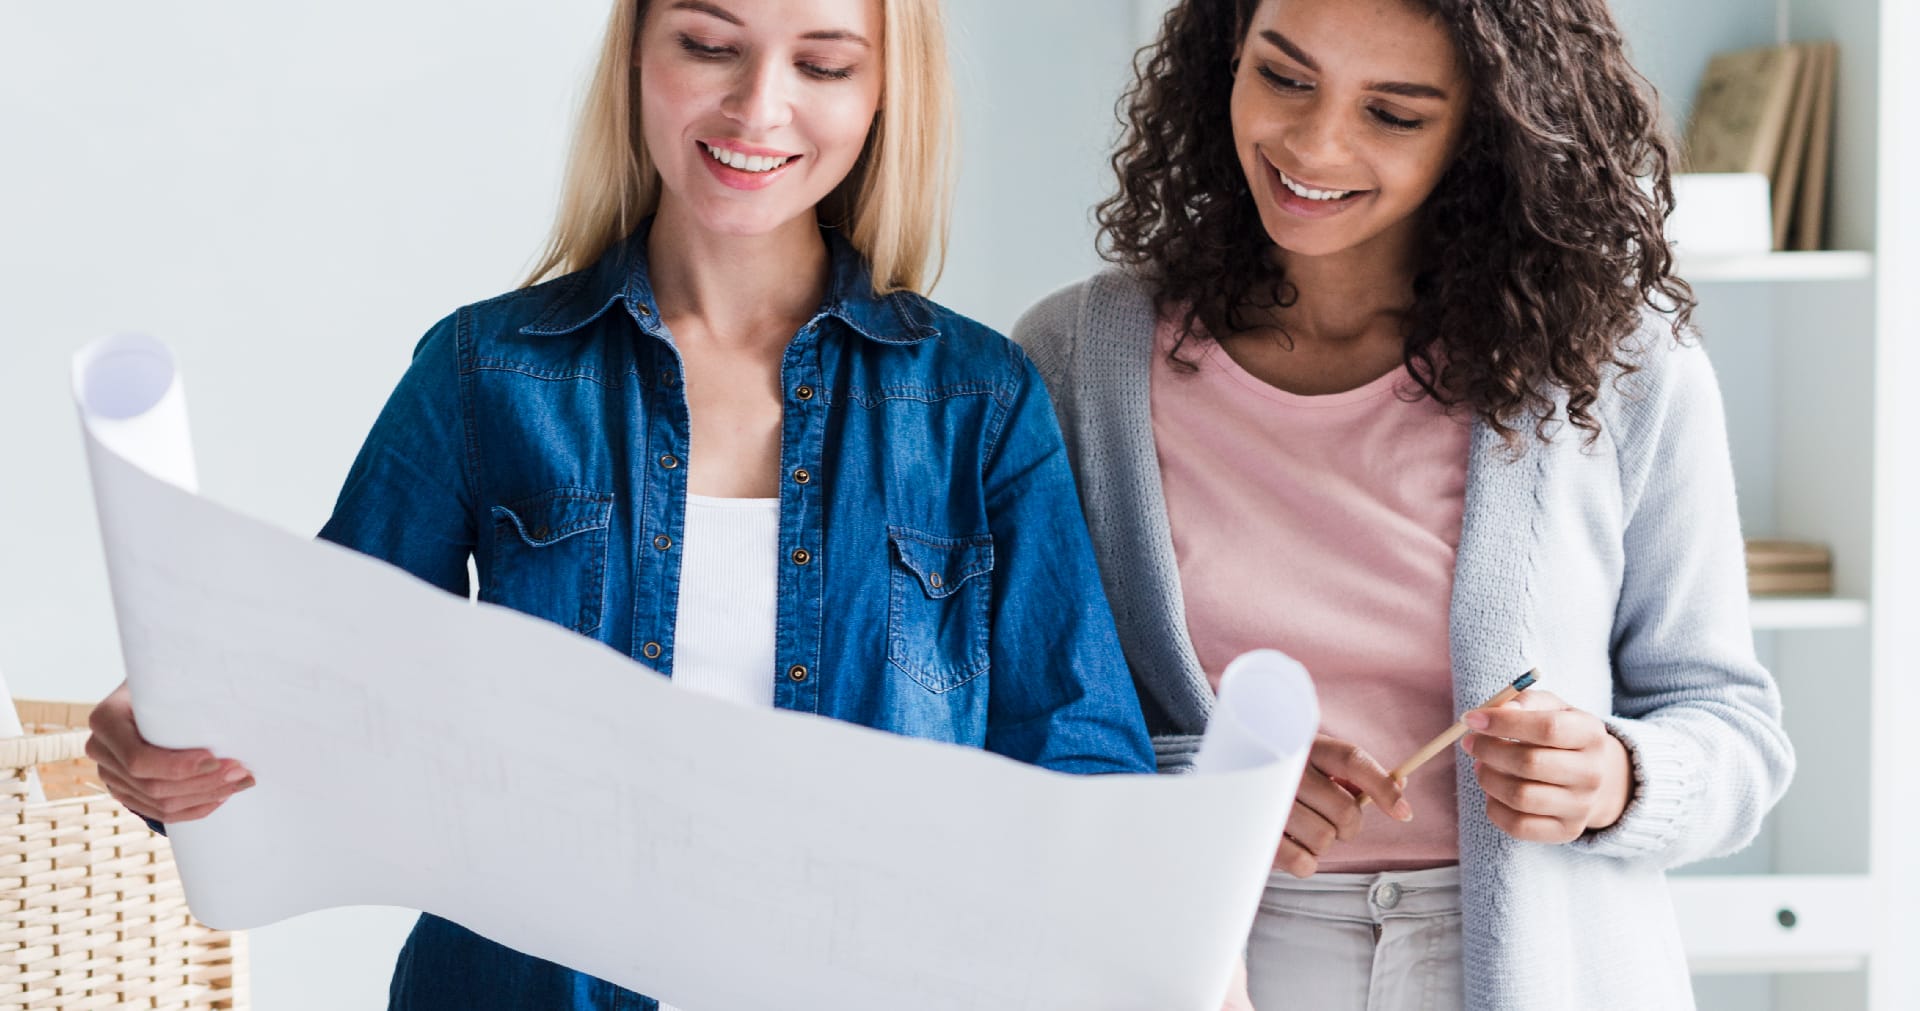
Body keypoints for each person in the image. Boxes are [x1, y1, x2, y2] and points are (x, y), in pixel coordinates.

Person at [83, 0, 1155, 1007]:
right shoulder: (486, 372)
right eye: (709, 44)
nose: (758, 108)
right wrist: (173, 729)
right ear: (638, 53)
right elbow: (311, 695)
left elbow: (1088, 771)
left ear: (883, 96)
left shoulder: (976, 400)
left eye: (823, 64)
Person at [1015, 0, 1794, 1007]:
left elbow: (1732, 727)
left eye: (1395, 114)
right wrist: (1197, 788)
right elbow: (1012, 723)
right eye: (1286, 77)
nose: (1313, 142)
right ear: (1225, 56)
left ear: (1484, 133)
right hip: (1213, 959)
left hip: (1540, 964)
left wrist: (1615, 778)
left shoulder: (1616, 365)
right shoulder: (1079, 362)